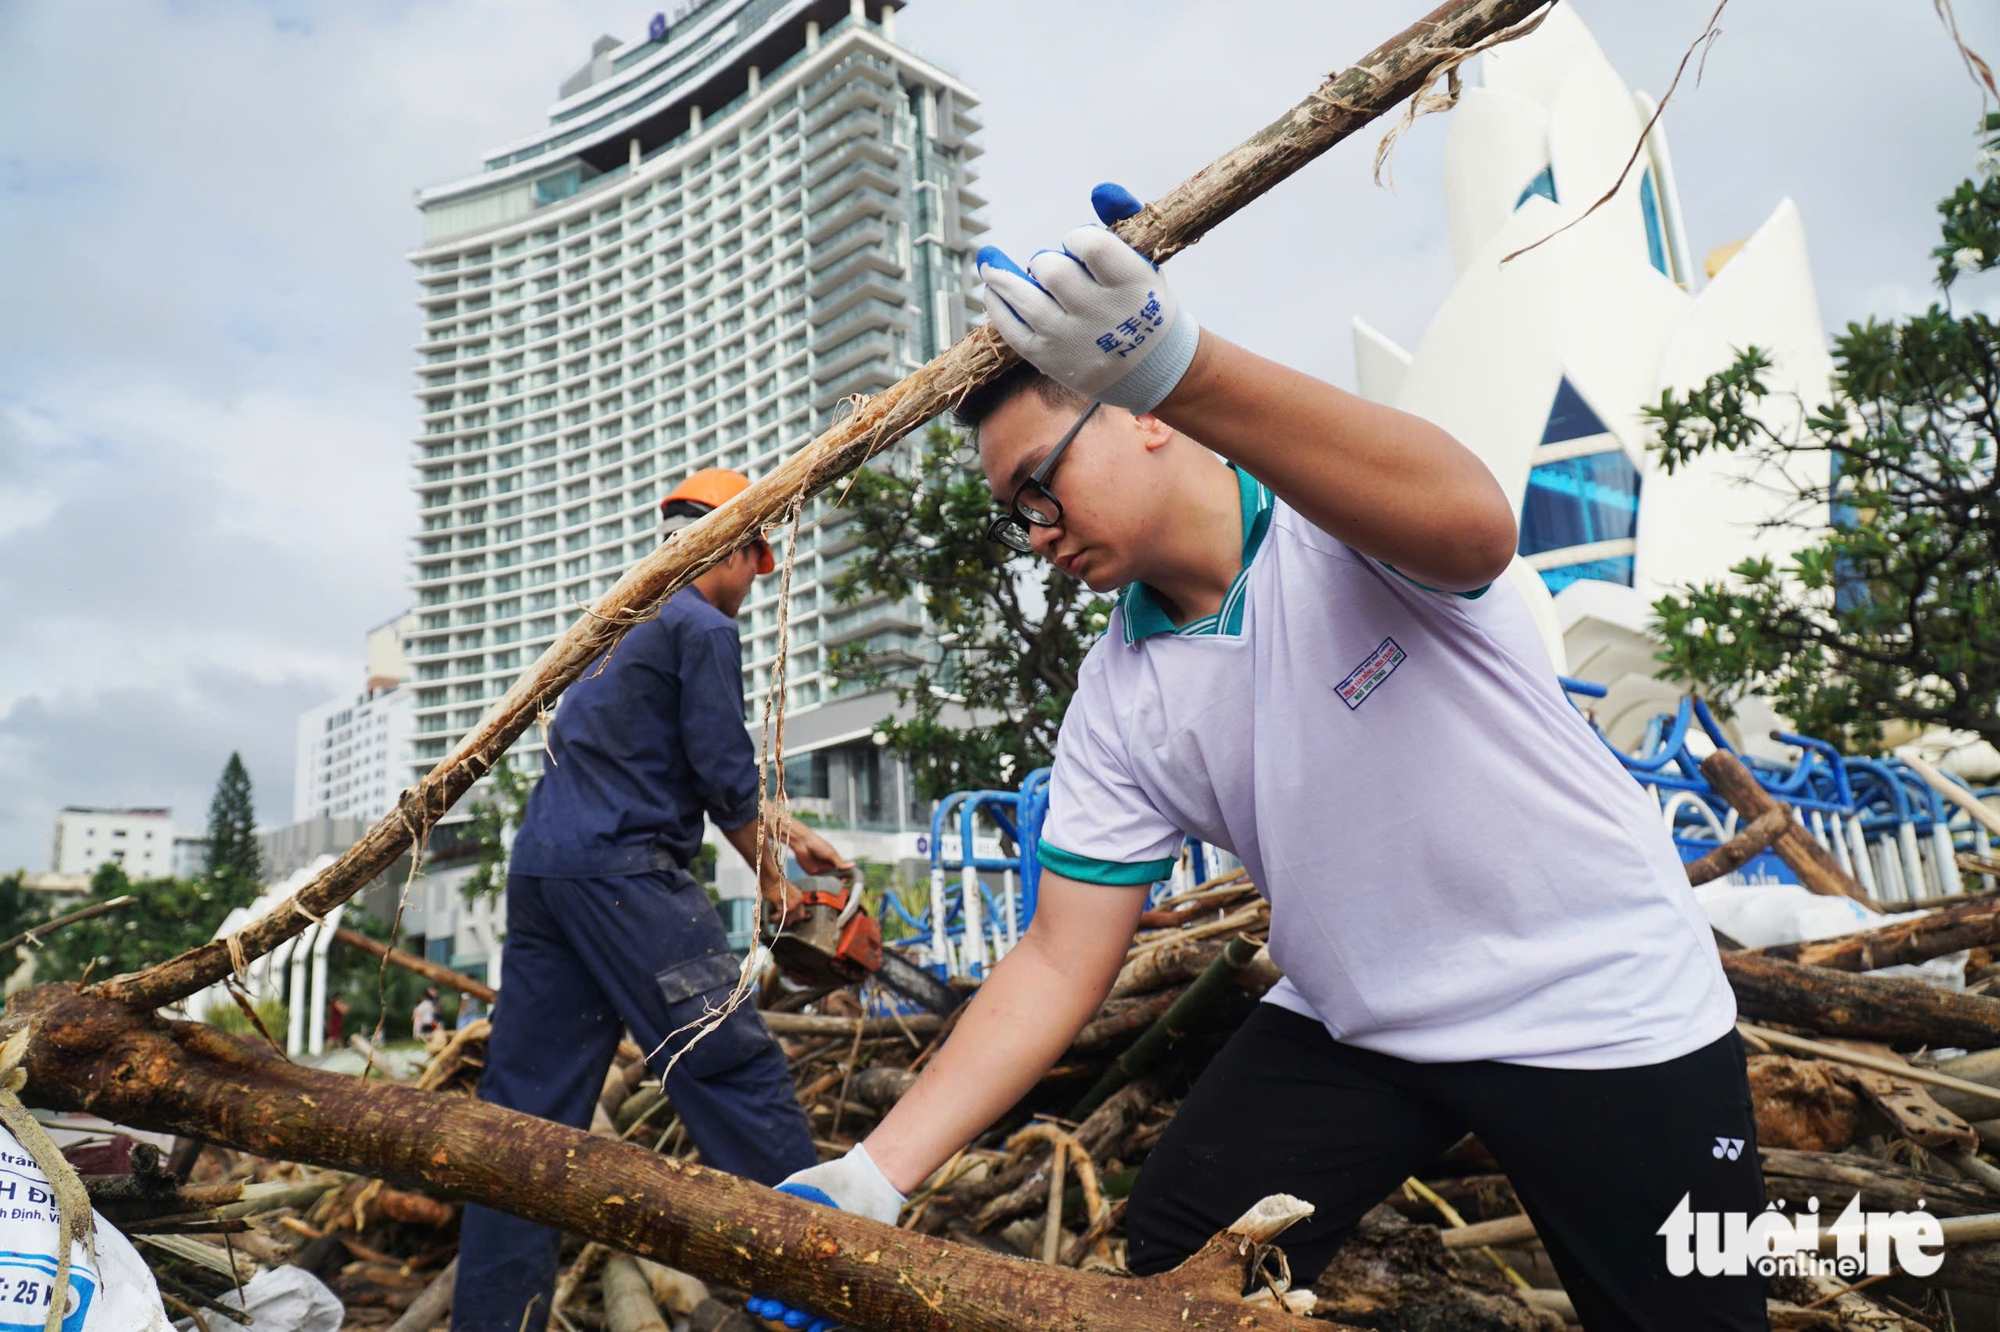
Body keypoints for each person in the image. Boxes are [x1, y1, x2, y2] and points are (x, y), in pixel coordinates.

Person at [761, 185, 1765, 1330]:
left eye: (1041, 480)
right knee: (1185, 1249)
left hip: (1599, 1005)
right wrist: (872, 1178)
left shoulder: (1334, 528)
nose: (1034, 529)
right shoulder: (1118, 698)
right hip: (1366, 1022)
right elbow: (1052, 959)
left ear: (1138, 411)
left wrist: (1180, 363)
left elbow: (1473, 523)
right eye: (1012, 510)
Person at [453, 468, 848, 1332]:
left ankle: (492, 1321)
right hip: (627, 877)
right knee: (732, 1068)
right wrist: (771, 877)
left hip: (549, 872)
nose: (752, 585)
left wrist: (774, 826)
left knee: (525, 1120)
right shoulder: (702, 623)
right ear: (734, 547)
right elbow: (718, 768)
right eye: (756, 563)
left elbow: (663, 762)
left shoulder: (617, 626)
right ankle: (821, 1295)